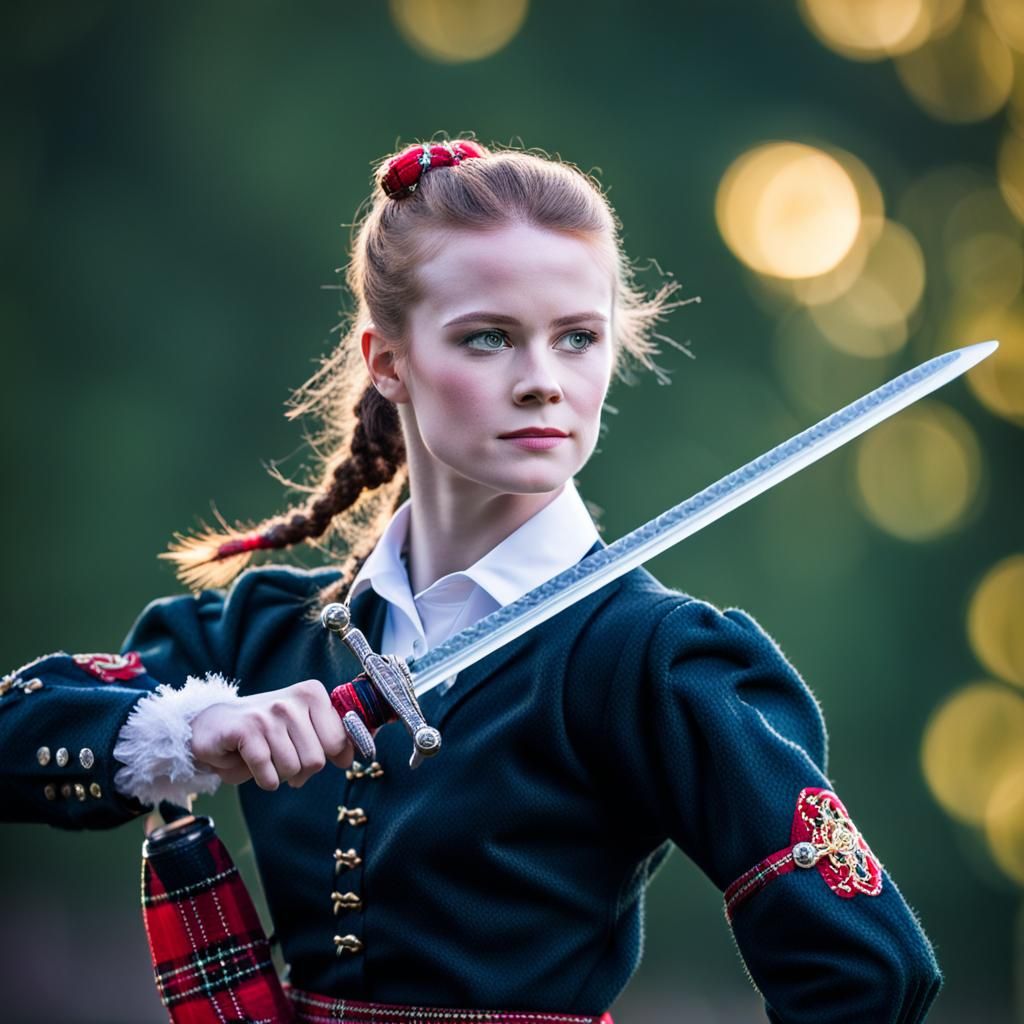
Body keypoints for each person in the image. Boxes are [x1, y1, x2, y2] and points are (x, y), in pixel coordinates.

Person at [1, 138, 941, 1023]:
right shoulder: (268, 630)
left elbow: (869, 972)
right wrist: (193, 729)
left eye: (578, 337)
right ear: (390, 363)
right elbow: (20, 729)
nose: (543, 381)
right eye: (489, 338)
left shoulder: (653, 658)